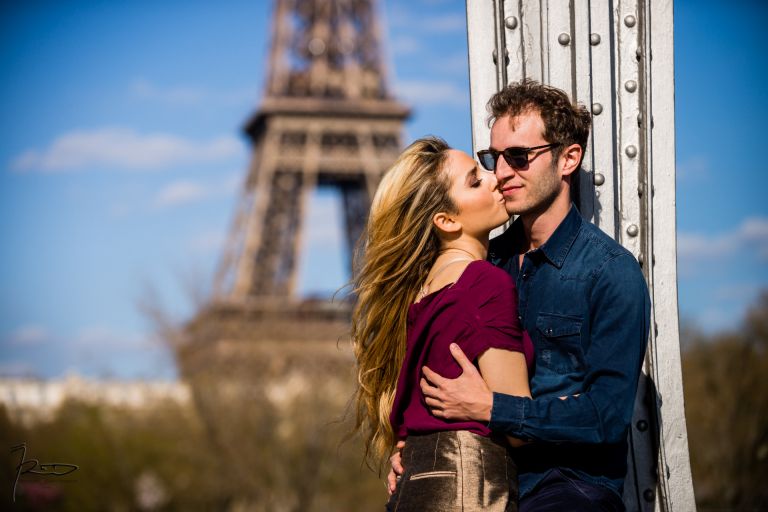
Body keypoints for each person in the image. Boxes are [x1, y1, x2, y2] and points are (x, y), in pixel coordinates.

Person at [388, 80, 651, 511]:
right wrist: (412, 450)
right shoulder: (480, 267)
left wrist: (495, 408)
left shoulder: (610, 272)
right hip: (480, 480)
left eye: (519, 156)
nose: (502, 173)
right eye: (494, 158)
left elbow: (606, 416)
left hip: (567, 487)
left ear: (568, 159)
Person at [351, 136, 534, 511]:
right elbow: (519, 427)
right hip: (469, 487)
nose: (495, 178)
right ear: (447, 221)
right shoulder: (484, 283)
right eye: (475, 181)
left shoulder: (421, 292)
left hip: (414, 486)